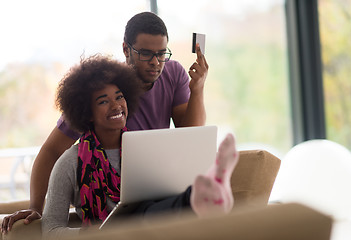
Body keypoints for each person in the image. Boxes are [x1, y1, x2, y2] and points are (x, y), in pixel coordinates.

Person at [0, 11, 208, 233]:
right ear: (126, 49)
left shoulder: (173, 72)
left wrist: (197, 90)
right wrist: (36, 208)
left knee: (167, 207)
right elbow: (51, 151)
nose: (156, 62)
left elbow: (190, 135)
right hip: (116, 203)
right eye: (146, 53)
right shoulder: (105, 87)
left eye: (161, 53)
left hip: (154, 185)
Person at [34, 55, 236, 239]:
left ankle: (203, 193)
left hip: (149, 226)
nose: (116, 106)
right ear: (87, 113)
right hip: (108, 233)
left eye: (120, 97)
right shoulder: (70, 163)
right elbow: (50, 230)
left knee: (152, 210)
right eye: (103, 101)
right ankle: (201, 195)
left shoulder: (143, 149)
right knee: (143, 216)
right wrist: (89, 233)